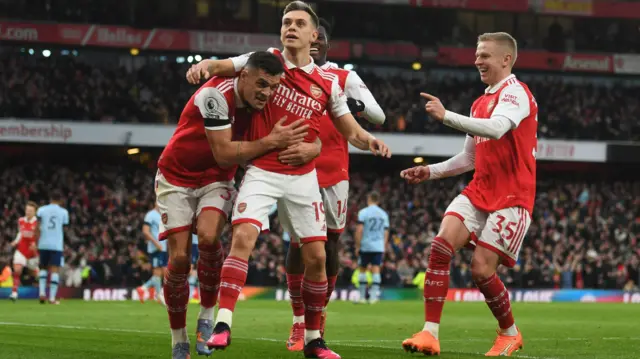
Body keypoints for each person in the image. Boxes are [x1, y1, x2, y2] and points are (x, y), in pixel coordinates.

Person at [187, 2, 390, 358]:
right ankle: (223, 324)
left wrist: (369, 140)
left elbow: (349, 128)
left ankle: (313, 339)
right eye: (285, 22)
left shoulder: (328, 82)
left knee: (316, 257)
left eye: (299, 23)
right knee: (243, 237)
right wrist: (205, 65)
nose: (290, 28)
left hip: (303, 179)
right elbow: (226, 66)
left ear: (315, 35)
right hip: (262, 171)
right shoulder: (265, 60)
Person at [157, 51, 309, 359]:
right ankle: (178, 339)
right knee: (180, 259)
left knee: (211, 238)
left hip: (216, 178)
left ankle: (206, 318)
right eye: (262, 84)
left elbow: (223, 164)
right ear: (243, 75)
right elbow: (225, 153)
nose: (266, 93)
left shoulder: (261, 100)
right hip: (175, 177)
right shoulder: (215, 95)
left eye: (272, 87)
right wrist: (271, 142)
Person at [400, 32, 537, 356]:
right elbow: (470, 159)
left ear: (506, 59)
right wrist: (429, 171)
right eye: (477, 54)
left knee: (480, 269)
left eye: (485, 55)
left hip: (512, 196)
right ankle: (429, 333)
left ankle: (509, 333)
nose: (477, 60)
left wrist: (446, 116)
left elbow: (498, 128)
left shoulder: (516, 94)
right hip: (480, 189)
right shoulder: (479, 102)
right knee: (440, 245)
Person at [282, 17, 387, 351]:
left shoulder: (343, 76)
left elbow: (378, 116)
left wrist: (352, 106)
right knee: (299, 243)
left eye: (320, 37)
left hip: (334, 172)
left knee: (330, 244)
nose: (314, 43)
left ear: (325, 41)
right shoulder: (288, 72)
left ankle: (319, 312)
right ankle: (299, 321)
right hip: (299, 168)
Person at [354, 191, 389, 304]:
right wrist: (383, 246)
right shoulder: (383, 214)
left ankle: (362, 297)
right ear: (378, 201)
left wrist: (358, 245)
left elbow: (359, 230)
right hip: (378, 246)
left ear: (369, 199)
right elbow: (386, 232)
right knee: (376, 269)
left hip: (366, 244)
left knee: (363, 269)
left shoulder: (363, 212)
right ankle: (373, 298)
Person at [36, 191, 69, 305]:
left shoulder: (41, 210)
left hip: (43, 243)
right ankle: (52, 298)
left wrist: (37, 240)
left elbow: (37, 225)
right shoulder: (64, 212)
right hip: (56, 244)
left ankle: (41, 294)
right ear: (60, 200)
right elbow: (64, 227)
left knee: (43, 268)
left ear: (50, 199)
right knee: (55, 270)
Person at [136, 203, 166, 304]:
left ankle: (143, 289)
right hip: (156, 248)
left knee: (160, 273)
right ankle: (158, 296)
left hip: (163, 247)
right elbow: (145, 231)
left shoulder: (163, 215)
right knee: (157, 271)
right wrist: (156, 243)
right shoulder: (150, 215)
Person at [9, 201, 39, 301]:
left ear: (35, 212)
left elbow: (40, 236)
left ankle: (44, 289)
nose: (28, 212)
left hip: (33, 253)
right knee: (17, 270)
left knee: (35, 274)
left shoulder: (38, 223)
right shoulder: (21, 220)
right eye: (27, 210)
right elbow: (20, 233)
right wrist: (15, 241)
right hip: (21, 250)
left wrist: (36, 244)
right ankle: (14, 293)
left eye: (30, 211)